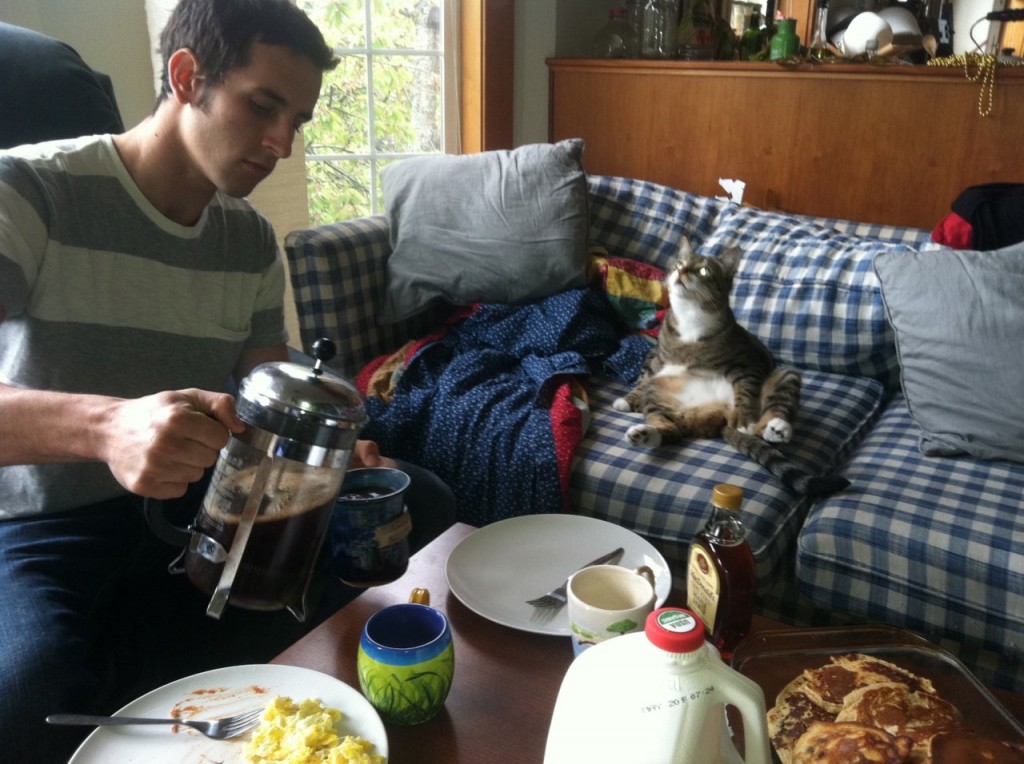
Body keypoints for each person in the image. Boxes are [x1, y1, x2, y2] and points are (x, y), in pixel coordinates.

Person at [0, 1, 454, 760]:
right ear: (186, 77)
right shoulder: (32, 193)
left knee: (413, 505)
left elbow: (263, 386)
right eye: (263, 106)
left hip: (206, 504)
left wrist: (338, 457)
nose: (281, 143)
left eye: (299, 120)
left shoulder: (246, 238)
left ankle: (190, 688)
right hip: (42, 527)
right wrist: (106, 428)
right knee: (26, 700)